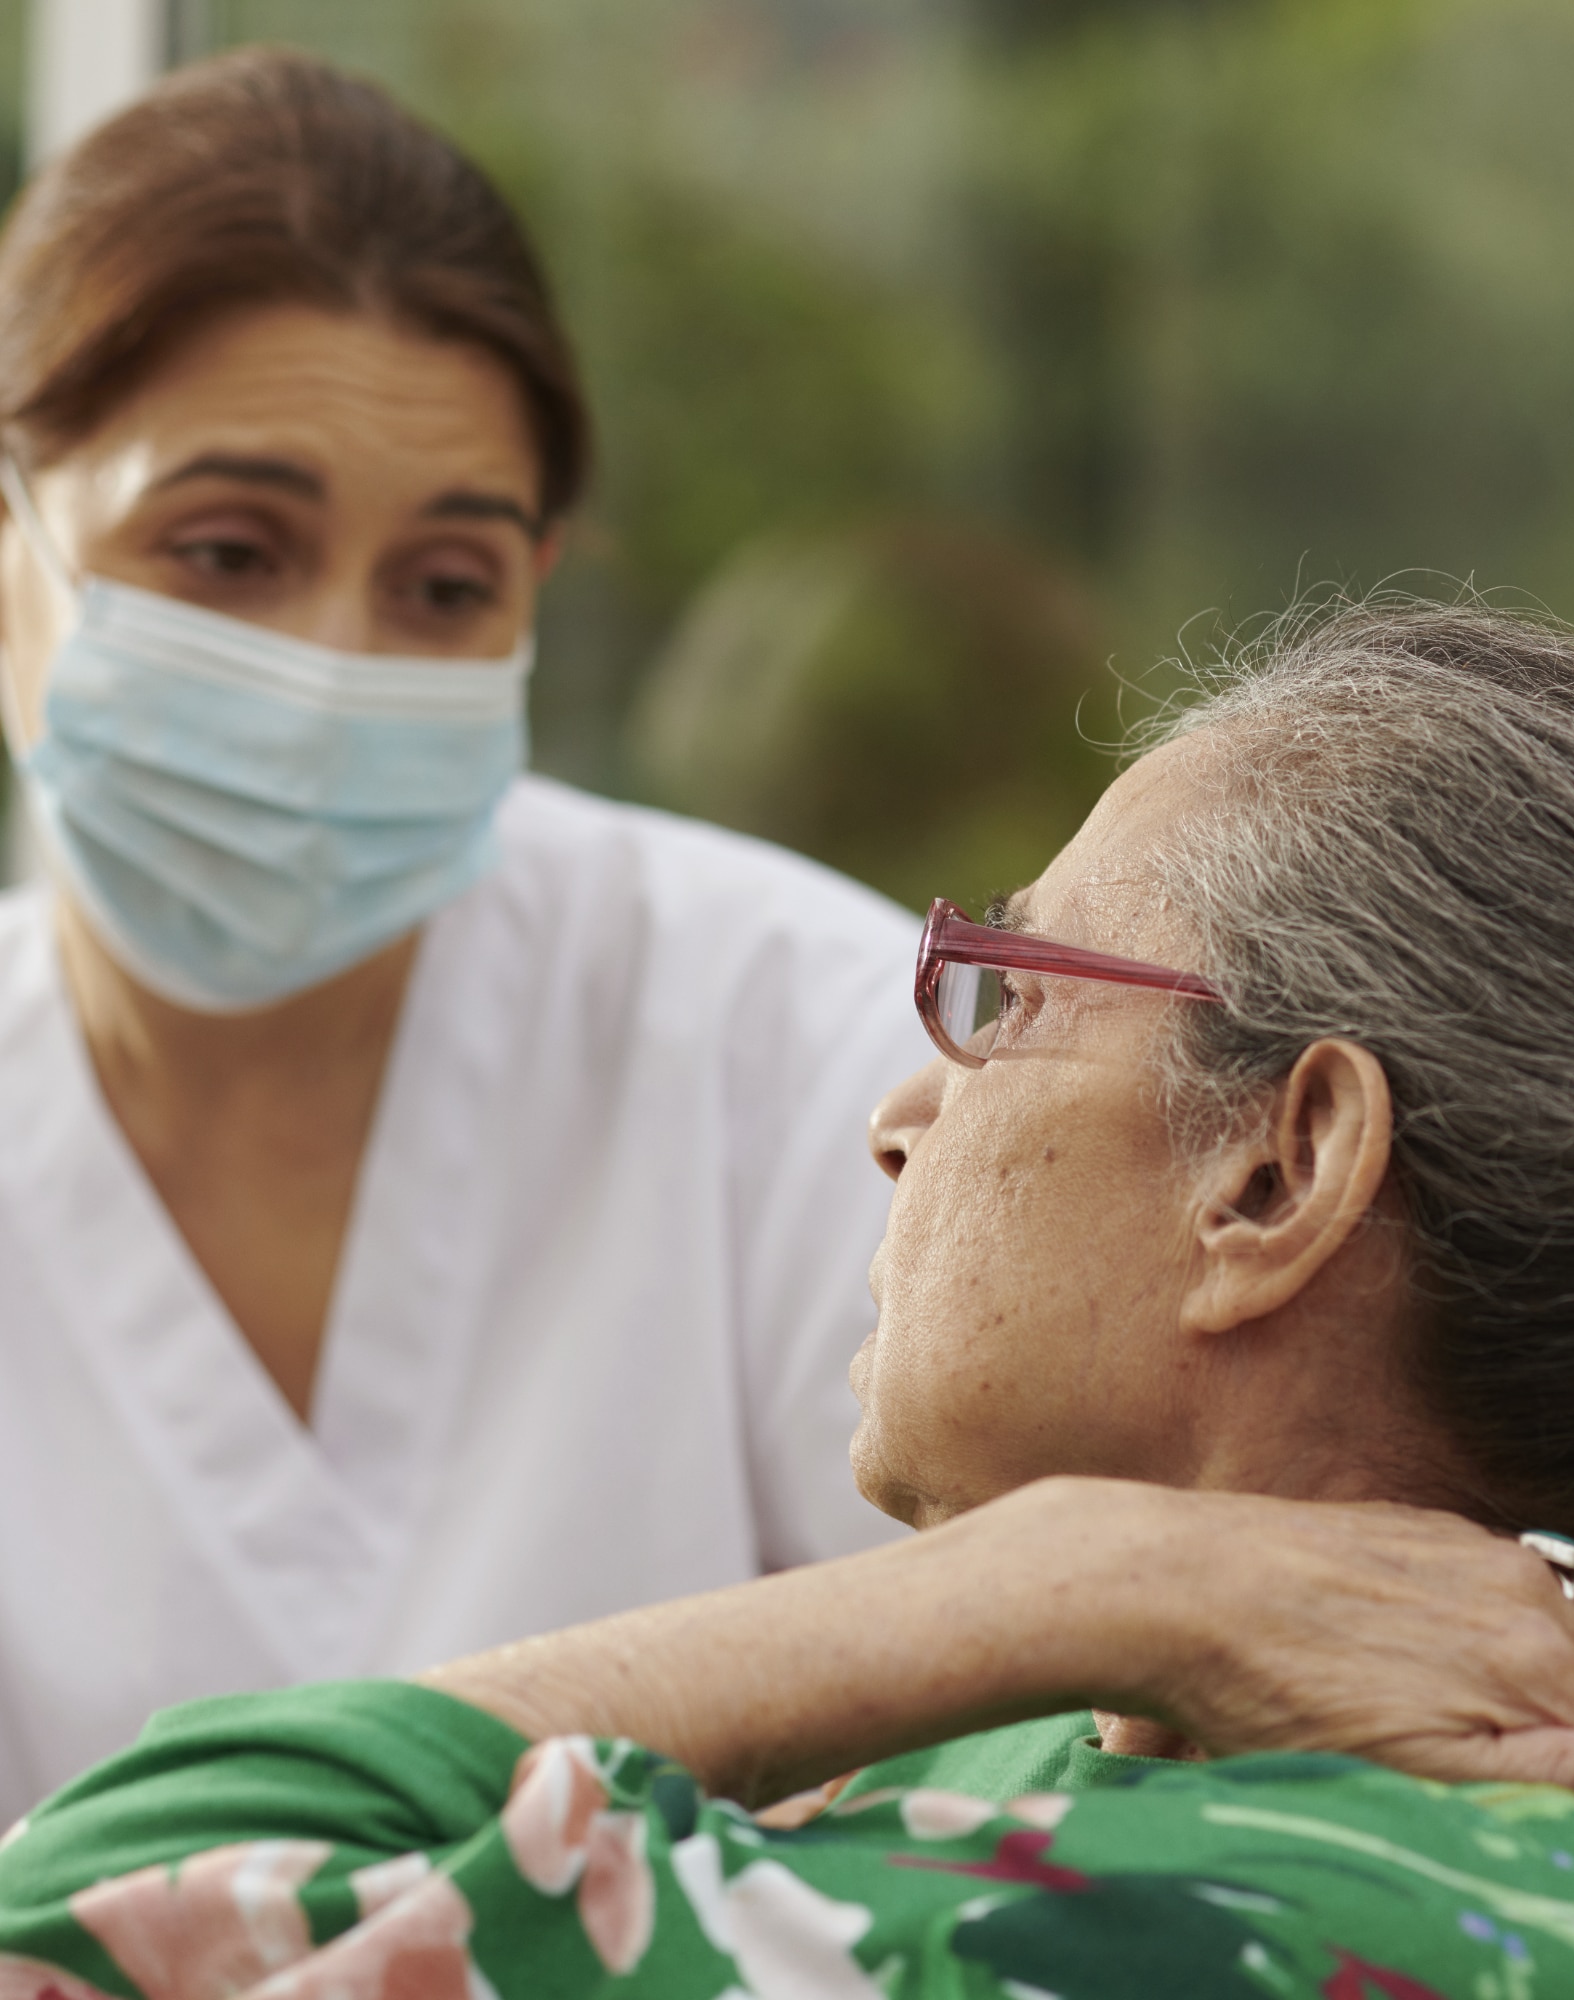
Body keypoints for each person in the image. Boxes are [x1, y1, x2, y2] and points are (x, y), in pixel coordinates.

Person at [4, 602, 1574, 1998]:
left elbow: (77, 1919)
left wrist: (1059, 1578)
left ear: (1277, 1169)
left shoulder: (1278, 1925)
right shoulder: (1090, 1761)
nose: (896, 1113)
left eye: (999, 993)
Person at [0, 45, 932, 1821]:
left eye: (443, 587)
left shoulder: (807, 1047)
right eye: (225, 552)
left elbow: (1063, 1697)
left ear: (534, 596)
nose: (333, 671)